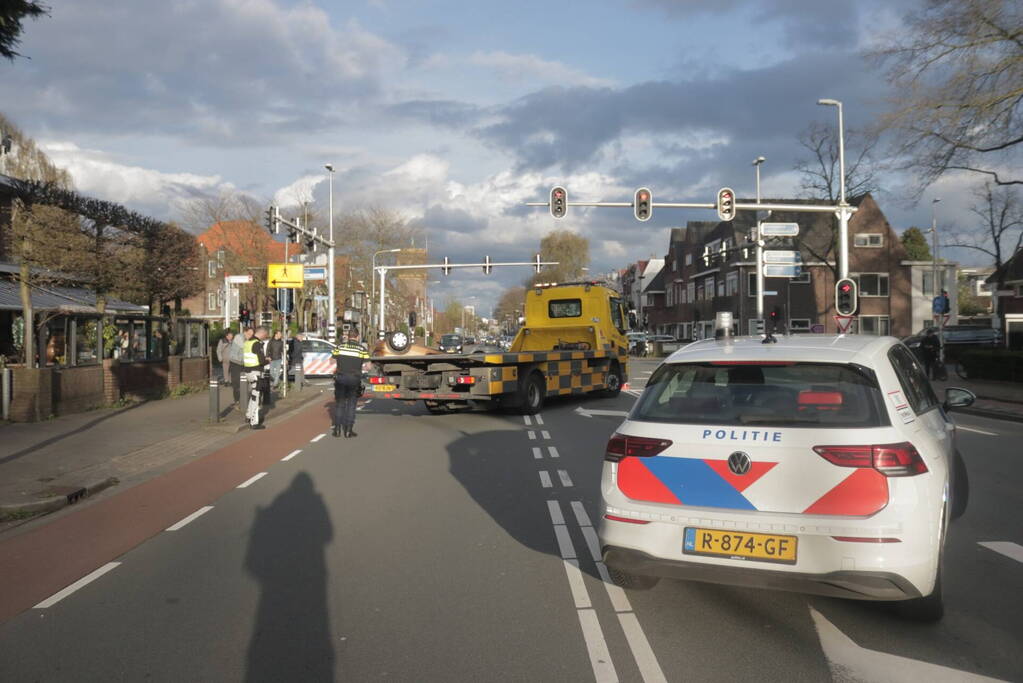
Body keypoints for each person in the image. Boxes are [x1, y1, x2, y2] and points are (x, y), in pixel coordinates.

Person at [330, 333, 369, 438]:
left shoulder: (340, 347)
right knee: (351, 405)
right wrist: (362, 368)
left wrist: (340, 362)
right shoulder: (361, 349)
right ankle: (348, 431)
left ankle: (337, 430)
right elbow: (368, 366)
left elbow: (331, 361)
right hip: (354, 378)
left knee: (340, 404)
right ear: (357, 337)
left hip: (341, 377)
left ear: (348, 336)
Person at [244, 327, 271, 429]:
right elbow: (261, 361)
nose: (266, 336)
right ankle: (254, 422)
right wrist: (268, 360)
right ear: (262, 333)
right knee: (256, 397)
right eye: (266, 334)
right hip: (255, 372)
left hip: (248, 371)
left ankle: (248, 415)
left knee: (254, 394)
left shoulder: (247, 342)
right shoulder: (257, 343)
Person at [230, 327, 253, 404]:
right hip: (235, 363)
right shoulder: (239, 337)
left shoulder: (247, 339)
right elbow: (245, 347)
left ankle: (243, 400)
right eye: (249, 334)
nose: (250, 336)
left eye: (251, 335)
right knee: (236, 383)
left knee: (245, 382)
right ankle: (237, 400)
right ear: (245, 332)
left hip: (243, 363)